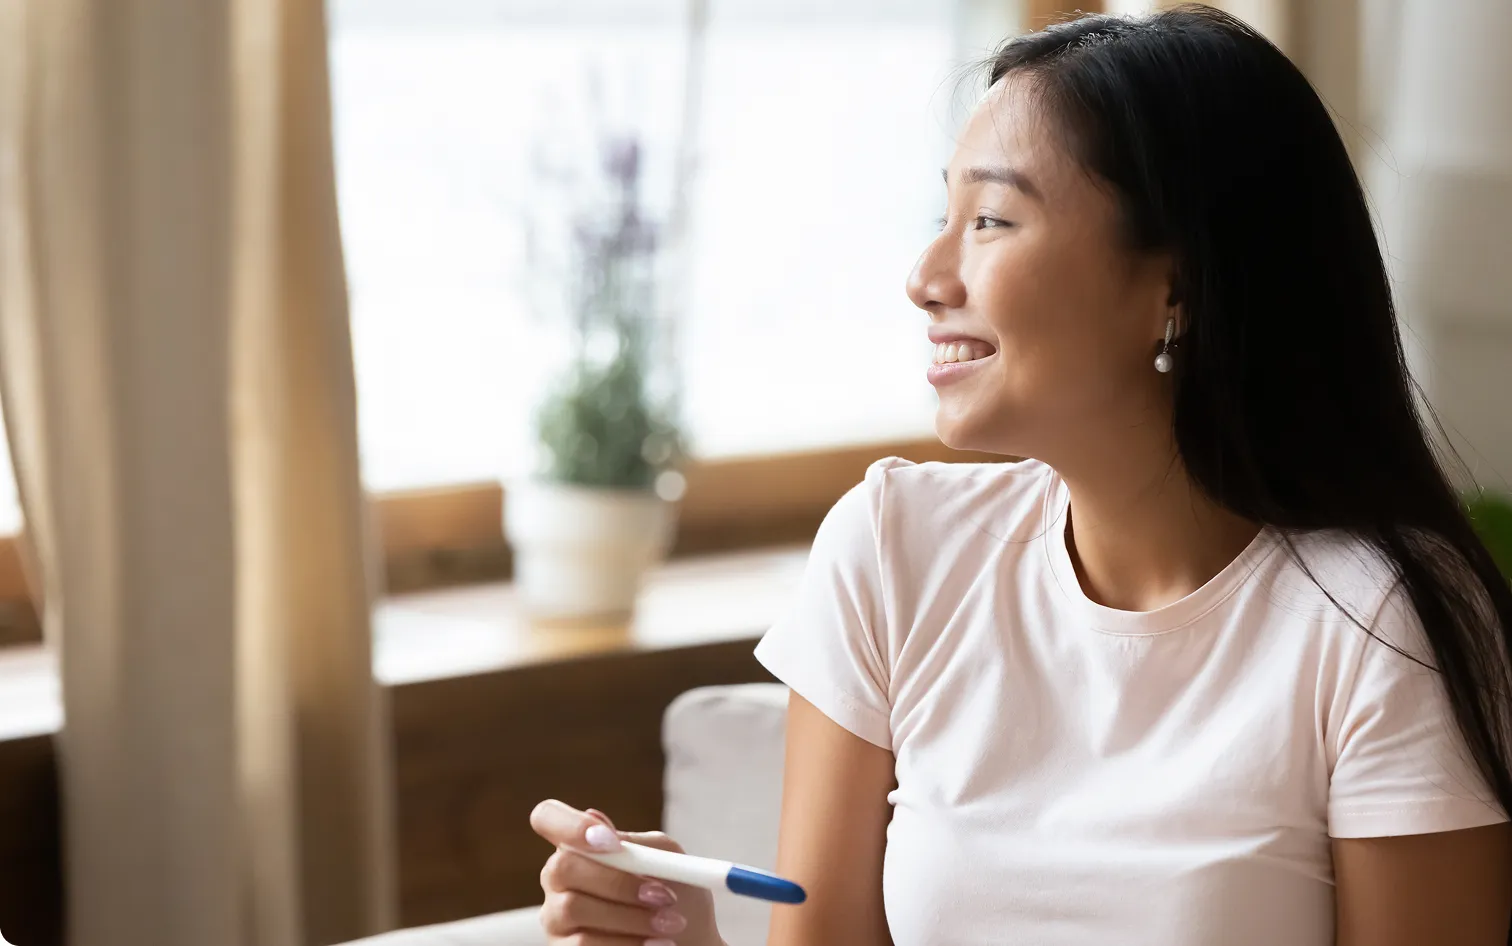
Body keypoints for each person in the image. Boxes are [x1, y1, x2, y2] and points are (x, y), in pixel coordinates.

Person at [528, 6, 1512, 944]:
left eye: (992, 220)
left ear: (1176, 287)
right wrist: (680, 935)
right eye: (942, 215)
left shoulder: (1378, 623)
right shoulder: (893, 549)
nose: (926, 274)